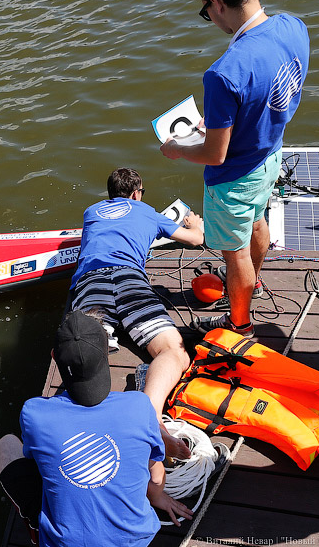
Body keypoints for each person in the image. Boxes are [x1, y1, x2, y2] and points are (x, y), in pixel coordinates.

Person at [160, 0, 310, 338]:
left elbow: (215, 153)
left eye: (205, 11)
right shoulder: (294, 26)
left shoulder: (224, 73)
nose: (209, 19)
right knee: (257, 220)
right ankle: (253, 284)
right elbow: (271, 92)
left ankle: (239, 324)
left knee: (234, 251)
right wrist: (227, 119)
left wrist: (177, 150)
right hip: (271, 157)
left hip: (233, 177)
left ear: (217, 3)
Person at [0, 310, 193, 546]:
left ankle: (37, 525)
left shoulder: (34, 413)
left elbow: (35, 462)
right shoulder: (139, 406)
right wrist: (157, 496)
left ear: (54, 357)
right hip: (135, 540)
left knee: (6, 444)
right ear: (107, 354)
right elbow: (157, 475)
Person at [69, 167, 204, 460]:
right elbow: (195, 240)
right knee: (173, 351)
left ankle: (89, 418)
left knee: (85, 352)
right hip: (131, 281)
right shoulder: (147, 211)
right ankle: (151, 416)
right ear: (136, 194)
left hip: (91, 283)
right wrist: (196, 223)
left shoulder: (91, 212)